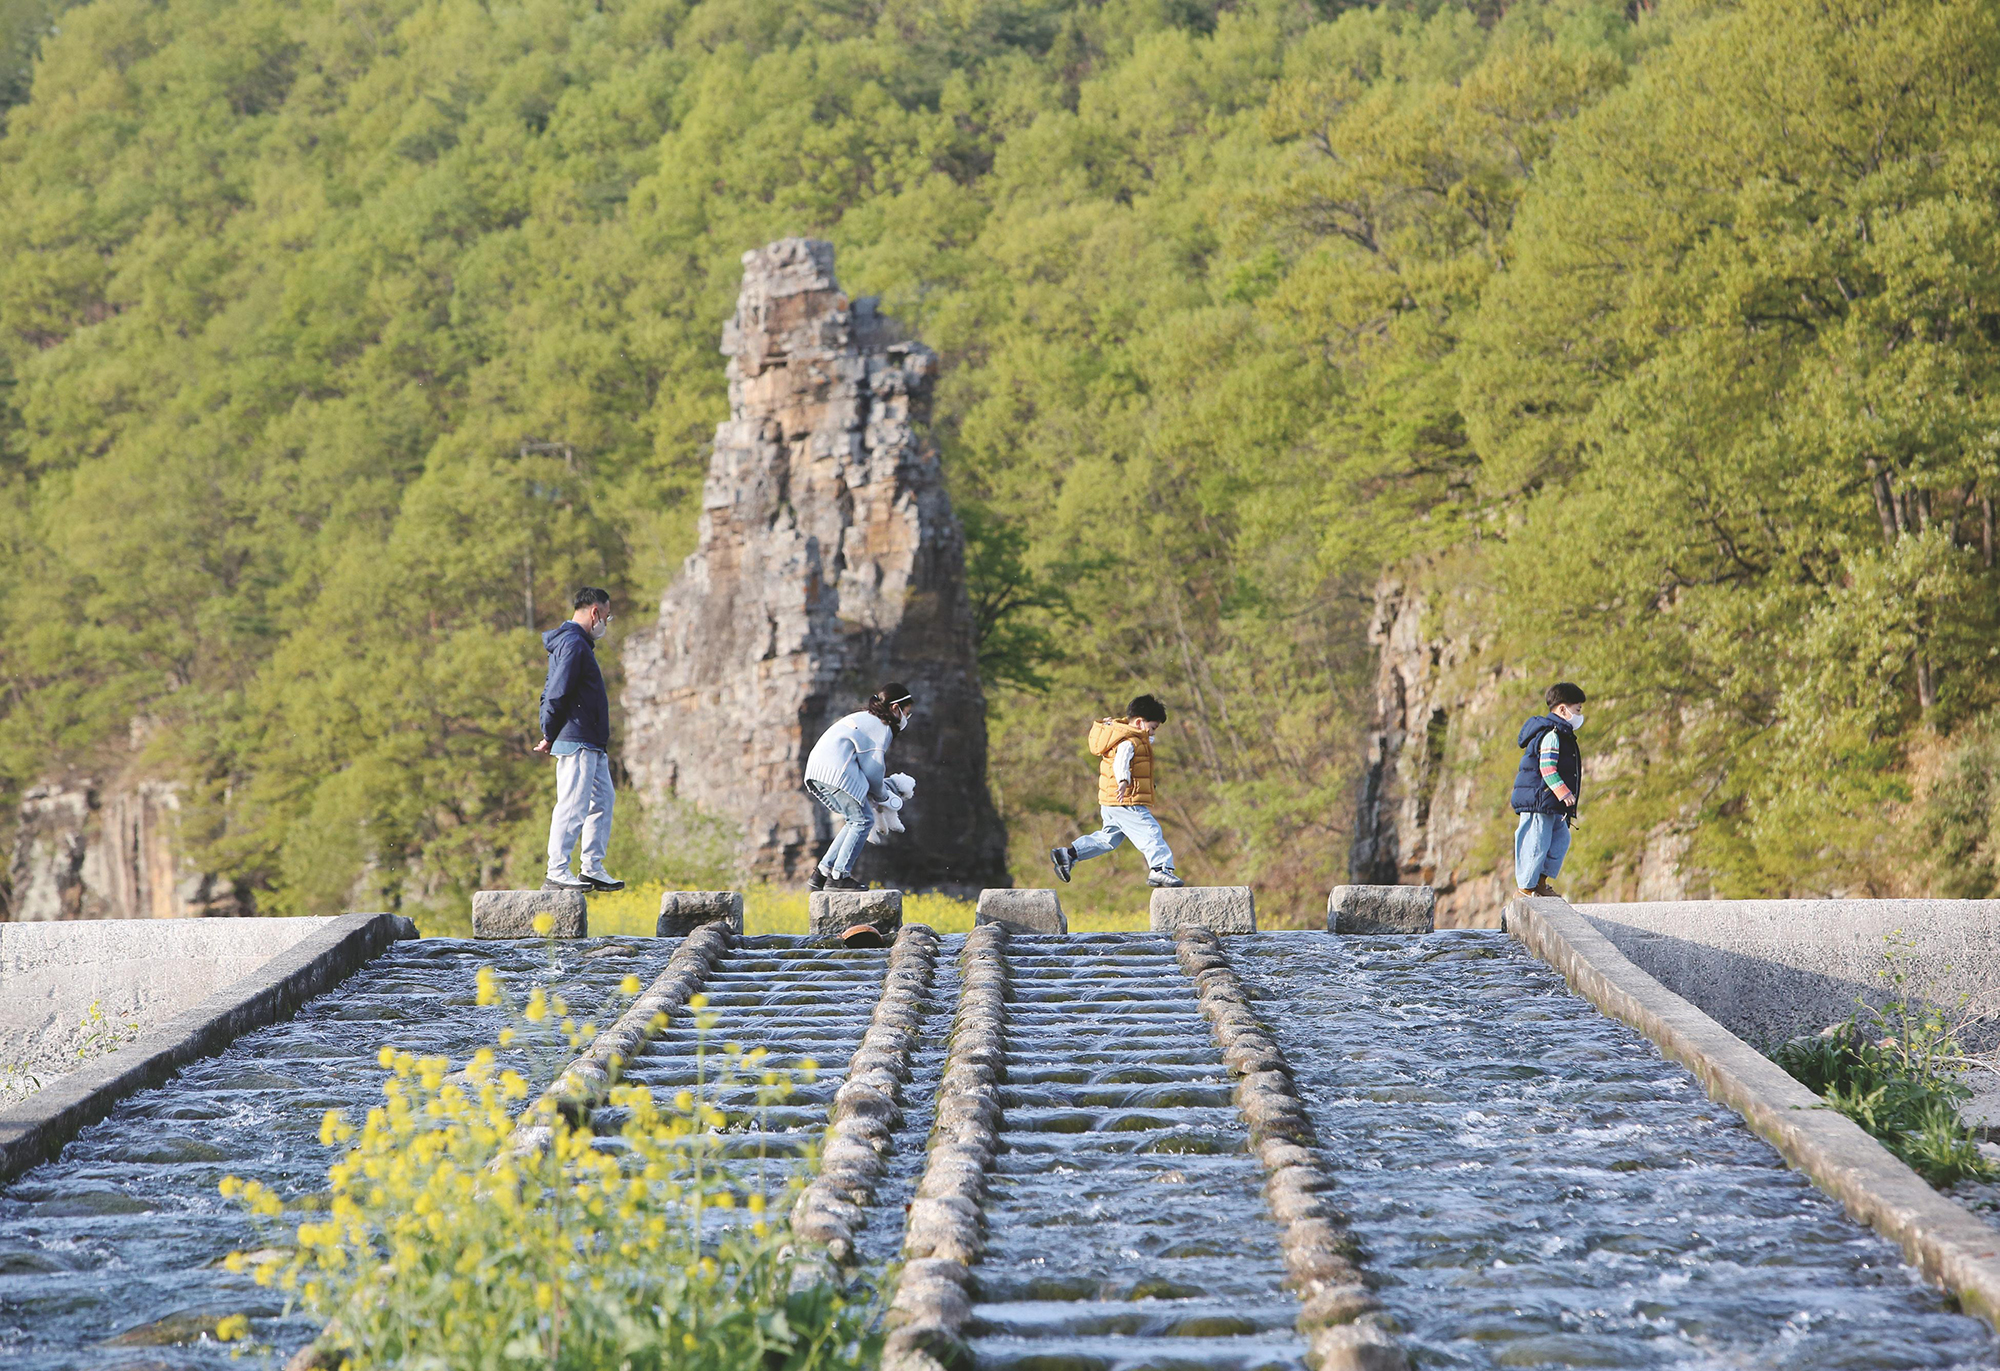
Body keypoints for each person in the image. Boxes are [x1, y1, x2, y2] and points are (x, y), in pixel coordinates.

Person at [535, 587, 623, 892]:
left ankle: (592, 867)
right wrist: (549, 730)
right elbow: (557, 690)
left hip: (592, 741)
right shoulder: (573, 643)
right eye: (607, 616)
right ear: (595, 612)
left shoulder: (579, 644)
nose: (606, 623)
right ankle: (557, 870)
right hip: (578, 739)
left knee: (603, 800)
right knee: (573, 803)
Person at [1049, 694, 1185, 889]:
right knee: (1150, 830)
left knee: (1108, 839)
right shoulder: (1129, 740)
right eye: (1153, 728)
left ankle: (1069, 855)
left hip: (1111, 800)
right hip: (1125, 798)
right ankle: (1159, 868)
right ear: (1139, 722)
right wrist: (1123, 780)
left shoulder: (1132, 737)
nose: (1153, 734)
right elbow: (1121, 760)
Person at [803, 683, 913, 891]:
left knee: (855, 820)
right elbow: (873, 769)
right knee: (863, 821)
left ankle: (822, 872)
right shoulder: (881, 726)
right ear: (895, 708)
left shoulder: (865, 718)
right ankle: (839, 876)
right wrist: (883, 796)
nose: (907, 719)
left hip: (818, 771)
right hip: (836, 771)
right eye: (907, 713)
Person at [1510, 682, 1587, 899]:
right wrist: (1564, 793)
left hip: (1551, 803)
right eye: (1577, 710)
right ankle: (1525, 887)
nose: (1579, 715)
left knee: (1560, 838)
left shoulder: (1563, 734)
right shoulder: (1551, 734)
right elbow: (1547, 768)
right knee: (1536, 841)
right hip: (1539, 800)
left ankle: (1540, 882)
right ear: (1562, 710)